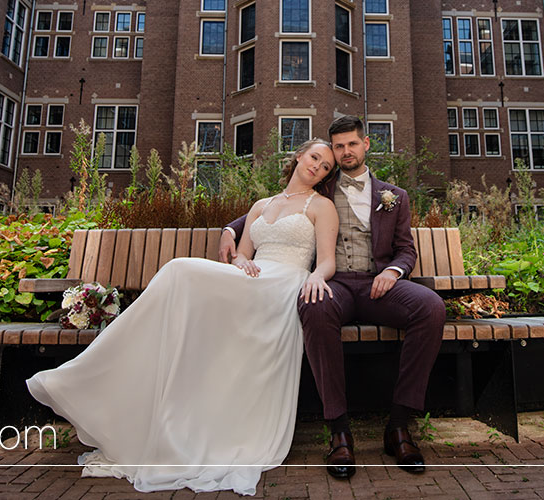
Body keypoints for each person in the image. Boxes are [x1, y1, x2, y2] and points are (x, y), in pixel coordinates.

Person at [27, 139, 339, 496]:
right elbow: (241, 255)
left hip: (284, 283)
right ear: (299, 155)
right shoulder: (260, 205)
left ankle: (110, 367)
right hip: (251, 278)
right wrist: (240, 259)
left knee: (180, 270)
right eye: (315, 157)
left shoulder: (322, 206)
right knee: (180, 279)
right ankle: (109, 376)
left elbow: (326, 259)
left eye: (326, 166)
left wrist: (317, 275)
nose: (318, 166)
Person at [221, 116, 446, 477]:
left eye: (351, 145)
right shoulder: (321, 189)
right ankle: (339, 431)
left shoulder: (394, 197)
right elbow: (277, 208)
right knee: (314, 304)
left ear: (366, 144)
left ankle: (400, 424)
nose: (344, 152)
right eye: (338, 147)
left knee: (432, 308)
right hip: (335, 284)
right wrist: (230, 230)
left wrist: (392, 272)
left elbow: (406, 250)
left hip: (377, 285)